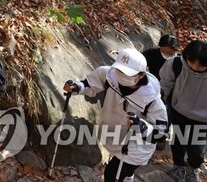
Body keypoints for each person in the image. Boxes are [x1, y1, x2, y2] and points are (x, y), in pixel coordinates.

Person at [64, 48, 167, 182]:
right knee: (122, 175)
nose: (121, 75)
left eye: (126, 73)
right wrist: (77, 87)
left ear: (141, 75)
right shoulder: (110, 75)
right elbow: (91, 83)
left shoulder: (151, 99)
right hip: (114, 134)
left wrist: (141, 126)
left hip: (135, 147)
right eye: (119, 70)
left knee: (112, 175)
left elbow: (160, 134)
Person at [160, 40, 207, 182]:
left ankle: (193, 168)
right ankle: (179, 166)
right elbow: (165, 87)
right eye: (191, 62)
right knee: (178, 144)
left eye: (201, 65)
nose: (194, 67)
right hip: (179, 113)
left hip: (205, 121)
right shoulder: (175, 64)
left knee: (197, 152)